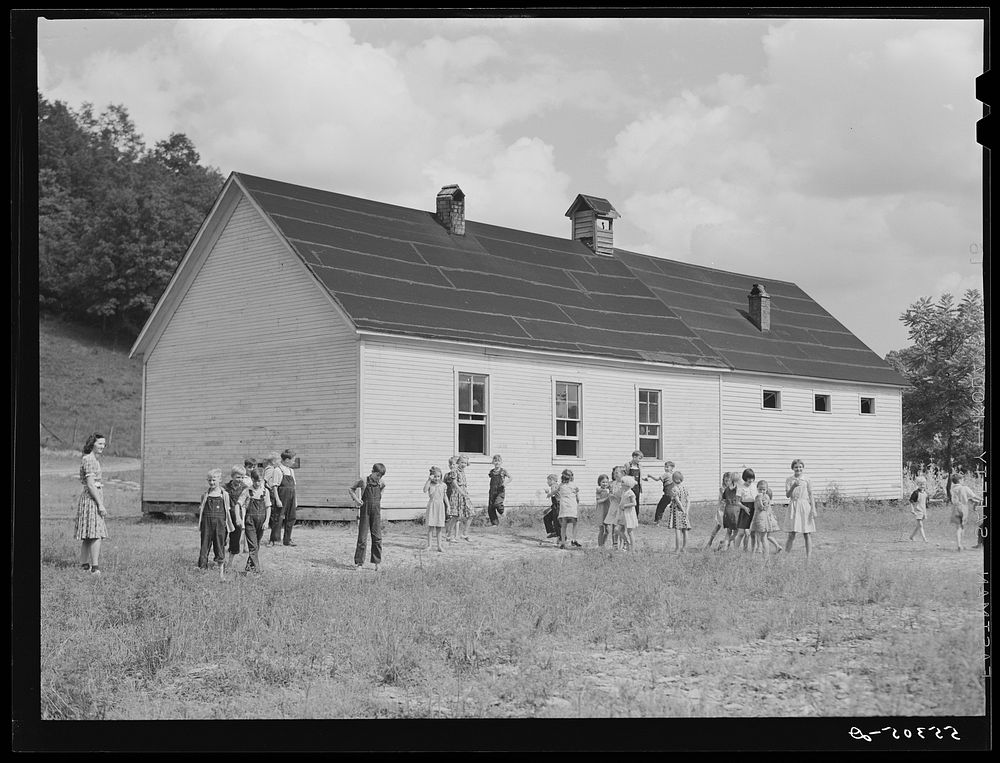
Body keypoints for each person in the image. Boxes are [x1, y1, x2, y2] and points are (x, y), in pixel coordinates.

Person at [74, 432, 109, 576]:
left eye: (104, 444)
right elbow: (91, 484)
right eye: (100, 443)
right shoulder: (89, 459)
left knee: (90, 534)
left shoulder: (94, 459)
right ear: (92, 443)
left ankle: (84, 566)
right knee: (96, 534)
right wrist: (100, 504)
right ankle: (94, 567)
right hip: (91, 499)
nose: (102, 446)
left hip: (93, 497)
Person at [197, 469, 234, 580]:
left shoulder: (224, 495)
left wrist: (228, 525)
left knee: (219, 546)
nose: (212, 482)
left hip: (220, 525)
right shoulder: (205, 495)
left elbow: (227, 511)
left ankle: (221, 574)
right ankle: (202, 570)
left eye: (214, 480)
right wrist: (200, 525)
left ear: (220, 480)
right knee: (204, 546)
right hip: (207, 524)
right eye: (209, 480)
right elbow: (202, 511)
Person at [349, 463, 387, 570]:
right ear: (373, 471)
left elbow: (384, 487)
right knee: (362, 537)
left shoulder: (381, 482)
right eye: (378, 475)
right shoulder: (363, 480)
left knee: (377, 537)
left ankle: (377, 563)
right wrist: (357, 500)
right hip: (365, 511)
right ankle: (359, 563)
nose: (379, 478)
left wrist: (380, 497)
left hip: (376, 511)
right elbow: (351, 489)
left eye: (381, 476)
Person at [783, 459, 817, 558]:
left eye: (800, 467)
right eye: (796, 467)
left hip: (805, 505)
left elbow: (811, 494)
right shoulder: (789, 480)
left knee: (807, 533)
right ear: (793, 468)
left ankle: (808, 557)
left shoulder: (807, 479)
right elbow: (788, 495)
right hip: (794, 506)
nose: (798, 469)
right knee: (792, 533)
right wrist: (793, 486)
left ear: (803, 468)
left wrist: (813, 509)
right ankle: (786, 555)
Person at [242, 467, 272, 573]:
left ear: (263, 480)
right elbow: (241, 506)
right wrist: (242, 521)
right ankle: (257, 570)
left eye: (259, 481)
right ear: (252, 479)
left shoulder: (265, 492)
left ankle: (249, 568)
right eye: (255, 481)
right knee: (253, 546)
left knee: (257, 545)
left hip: (261, 521)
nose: (257, 483)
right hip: (250, 521)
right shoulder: (247, 491)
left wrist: (267, 521)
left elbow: (268, 507)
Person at [268, 449, 298, 547]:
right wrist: (277, 499)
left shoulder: (291, 471)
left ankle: (287, 539)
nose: (294, 462)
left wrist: (295, 500)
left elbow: (294, 487)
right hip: (282, 496)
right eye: (293, 460)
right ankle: (274, 539)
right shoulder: (278, 470)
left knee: (291, 517)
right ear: (286, 460)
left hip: (291, 496)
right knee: (278, 518)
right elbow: (275, 486)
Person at [222, 465, 249, 570]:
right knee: (222, 538)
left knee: (235, 540)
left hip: (238, 517)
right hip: (226, 516)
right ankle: (221, 560)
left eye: (242, 477)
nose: (240, 480)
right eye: (238, 477)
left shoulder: (245, 488)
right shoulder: (225, 487)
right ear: (232, 476)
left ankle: (230, 563)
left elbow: (246, 503)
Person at [949, 473, 982, 551]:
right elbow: (973, 496)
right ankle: (962, 544)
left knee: (958, 528)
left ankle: (959, 544)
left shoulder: (952, 489)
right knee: (963, 527)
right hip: (963, 508)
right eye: (962, 479)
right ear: (960, 480)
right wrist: (982, 499)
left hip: (955, 508)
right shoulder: (964, 488)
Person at [750, 479, 782, 555]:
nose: (762, 491)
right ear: (757, 489)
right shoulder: (763, 496)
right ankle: (759, 549)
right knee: (760, 535)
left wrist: (759, 499)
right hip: (760, 517)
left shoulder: (762, 497)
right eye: (760, 489)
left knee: (763, 537)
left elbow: (762, 507)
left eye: (763, 489)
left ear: (766, 489)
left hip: (761, 518)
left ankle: (765, 554)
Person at [423, 466, 449, 552]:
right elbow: (424, 490)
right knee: (431, 527)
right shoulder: (430, 484)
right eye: (435, 476)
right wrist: (429, 480)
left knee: (439, 527)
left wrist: (448, 506)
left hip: (440, 506)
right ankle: (429, 545)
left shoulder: (443, 485)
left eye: (438, 476)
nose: (437, 478)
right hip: (432, 506)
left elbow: (445, 497)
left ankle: (439, 546)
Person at [705, 472, 731, 550]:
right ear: (723, 480)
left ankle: (725, 544)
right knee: (718, 526)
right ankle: (710, 542)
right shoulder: (722, 489)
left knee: (730, 530)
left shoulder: (733, 488)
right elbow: (722, 499)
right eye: (726, 480)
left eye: (729, 480)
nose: (727, 482)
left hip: (730, 511)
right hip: (722, 511)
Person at [733, 468, 757, 552]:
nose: (750, 480)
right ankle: (735, 550)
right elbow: (737, 502)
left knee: (750, 533)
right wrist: (744, 508)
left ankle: (746, 550)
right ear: (745, 478)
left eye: (752, 478)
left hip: (754, 509)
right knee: (741, 533)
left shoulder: (754, 486)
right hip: (745, 510)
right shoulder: (741, 487)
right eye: (748, 478)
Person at [557, 468, 581, 549]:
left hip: (564, 506)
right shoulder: (574, 485)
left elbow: (557, 494)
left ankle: (563, 542)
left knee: (563, 525)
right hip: (572, 505)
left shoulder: (560, 485)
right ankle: (573, 539)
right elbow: (578, 498)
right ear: (571, 477)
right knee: (575, 522)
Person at [667, 470, 691, 552]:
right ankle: (684, 548)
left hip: (677, 511)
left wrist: (682, 510)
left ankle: (677, 548)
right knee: (685, 529)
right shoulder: (685, 488)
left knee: (678, 530)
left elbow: (677, 501)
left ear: (673, 479)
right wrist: (686, 510)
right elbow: (688, 500)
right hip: (685, 511)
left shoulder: (674, 489)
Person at [602, 466, 625, 549]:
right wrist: (610, 495)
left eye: (617, 472)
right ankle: (614, 544)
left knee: (621, 526)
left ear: (622, 474)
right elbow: (610, 493)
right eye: (614, 473)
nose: (615, 474)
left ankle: (623, 544)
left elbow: (624, 496)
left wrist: (616, 497)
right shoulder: (612, 484)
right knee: (613, 526)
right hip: (613, 506)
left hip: (621, 507)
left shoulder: (624, 483)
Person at [486, 455, 512, 526]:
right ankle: (495, 523)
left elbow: (510, 478)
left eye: (498, 461)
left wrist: (505, 483)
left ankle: (503, 513)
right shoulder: (492, 472)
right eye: (495, 461)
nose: (497, 462)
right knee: (491, 507)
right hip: (492, 491)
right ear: (493, 462)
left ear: (501, 462)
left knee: (497, 503)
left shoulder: (503, 471)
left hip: (500, 491)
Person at [647, 461, 675, 525]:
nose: (665, 468)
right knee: (672, 508)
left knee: (660, 507)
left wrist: (650, 476)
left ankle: (657, 521)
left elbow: (657, 479)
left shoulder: (666, 474)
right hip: (673, 494)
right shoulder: (673, 475)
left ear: (672, 468)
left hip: (667, 494)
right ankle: (672, 522)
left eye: (667, 467)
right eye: (665, 467)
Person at [617, 475, 639, 551]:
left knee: (630, 531)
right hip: (623, 513)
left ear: (627, 484)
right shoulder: (624, 491)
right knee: (618, 529)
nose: (621, 484)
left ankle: (632, 549)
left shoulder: (630, 493)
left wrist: (625, 505)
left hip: (629, 513)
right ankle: (627, 541)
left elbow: (634, 503)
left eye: (623, 482)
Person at [721, 472, 742, 549]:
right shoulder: (739, 489)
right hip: (735, 511)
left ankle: (725, 547)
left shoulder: (726, 489)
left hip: (727, 511)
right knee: (737, 531)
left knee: (728, 532)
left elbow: (723, 499)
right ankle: (726, 543)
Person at [443, 456, 461, 542]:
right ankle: (448, 534)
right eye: (450, 464)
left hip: (457, 498)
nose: (452, 466)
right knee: (448, 517)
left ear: (457, 465)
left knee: (456, 517)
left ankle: (456, 535)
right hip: (448, 497)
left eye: (454, 464)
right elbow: (443, 486)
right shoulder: (447, 475)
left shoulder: (459, 474)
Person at [908, 476, 929, 543]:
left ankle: (911, 536)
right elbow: (911, 501)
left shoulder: (925, 493)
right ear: (918, 484)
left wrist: (939, 500)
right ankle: (924, 539)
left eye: (923, 484)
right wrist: (912, 509)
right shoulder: (916, 493)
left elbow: (927, 501)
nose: (922, 486)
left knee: (918, 526)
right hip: (918, 511)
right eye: (920, 484)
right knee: (921, 525)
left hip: (923, 511)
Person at [626, 451, 644, 522]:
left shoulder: (639, 466)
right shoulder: (628, 465)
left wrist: (643, 481)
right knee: (629, 501)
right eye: (639, 458)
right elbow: (626, 475)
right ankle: (628, 517)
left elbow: (640, 476)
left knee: (636, 502)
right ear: (634, 457)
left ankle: (635, 517)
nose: (639, 460)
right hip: (630, 486)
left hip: (637, 487)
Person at [543, 473, 561, 541]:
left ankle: (561, 537)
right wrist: (549, 508)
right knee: (547, 518)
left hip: (558, 506)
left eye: (548, 480)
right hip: (555, 506)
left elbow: (553, 495)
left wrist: (548, 493)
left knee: (557, 522)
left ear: (552, 480)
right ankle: (553, 532)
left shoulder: (554, 486)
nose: (547, 482)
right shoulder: (556, 485)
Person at [596, 474, 612, 548]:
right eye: (603, 482)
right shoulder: (599, 490)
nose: (605, 484)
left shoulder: (609, 490)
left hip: (608, 511)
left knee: (608, 530)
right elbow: (598, 501)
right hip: (601, 511)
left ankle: (603, 544)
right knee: (601, 530)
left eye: (606, 482)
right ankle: (600, 546)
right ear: (599, 482)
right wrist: (606, 498)